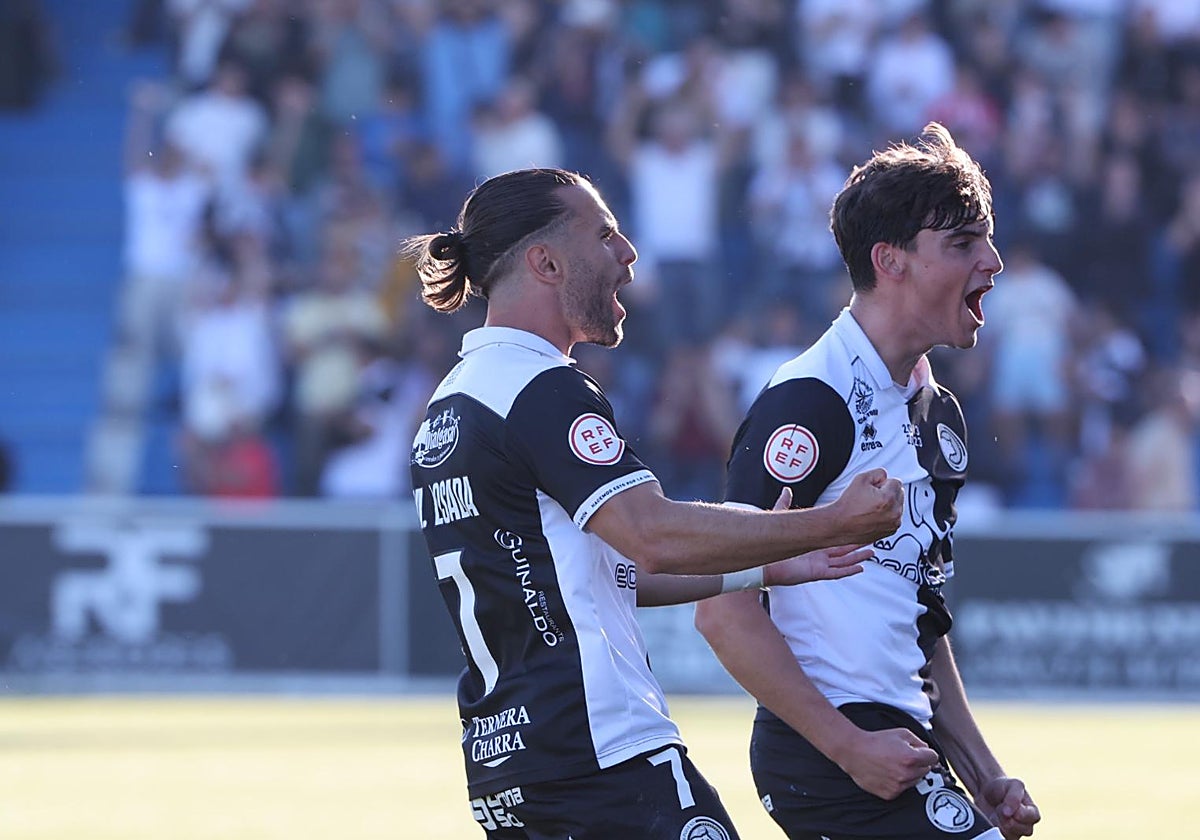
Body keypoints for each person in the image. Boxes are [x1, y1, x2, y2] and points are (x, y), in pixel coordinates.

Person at [403, 167, 905, 839]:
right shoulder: (539, 388)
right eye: (605, 234)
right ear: (545, 261)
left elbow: (593, 573)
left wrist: (769, 563)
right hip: (603, 757)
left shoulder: (453, 404)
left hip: (512, 769)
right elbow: (652, 535)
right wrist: (831, 520)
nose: (628, 254)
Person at [695, 124, 1041, 840]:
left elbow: (920, 614)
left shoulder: (937, 413)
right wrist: (848, 747)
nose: (994, 262)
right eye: (964, 244)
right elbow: (722, 611)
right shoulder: (808, 401)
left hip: (899, 744)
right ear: (891, 261)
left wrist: (982, 771)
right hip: (829, 755)